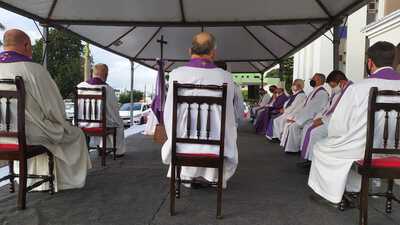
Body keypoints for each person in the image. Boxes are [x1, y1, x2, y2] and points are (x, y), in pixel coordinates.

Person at [308, 41, 400, 204]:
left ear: (370, 62)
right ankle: (355, 187)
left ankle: (334, 193)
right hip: (396, 148)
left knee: (321, 148)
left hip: (363, 148)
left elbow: (339, 125)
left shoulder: (358, 88)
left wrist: (336, 138)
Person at [0, 29, 91, 191]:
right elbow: (53, 107)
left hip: (2, 136)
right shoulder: (34, 70)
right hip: (30, 134)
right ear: (26, 45)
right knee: (76, 134)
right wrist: (62, 122)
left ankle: (25, 178)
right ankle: (64, 181)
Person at [161, 32, 238, 188]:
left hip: (182, 144)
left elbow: (169, 114)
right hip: (216, 146)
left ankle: (188, 175)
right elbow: (229, 118)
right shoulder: (226, 77)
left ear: (190, 51)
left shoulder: (176, 74)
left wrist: (174, 137)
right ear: (213, 53)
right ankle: (212, 177)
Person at [298, 71, 352, 167]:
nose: (332, 88)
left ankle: (314, 162)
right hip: (330, 120)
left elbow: (340, 113)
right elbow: (327, 108)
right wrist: (318, 118)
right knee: (308, 127)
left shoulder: (349, 92)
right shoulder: (338, 92)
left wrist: (322, 121)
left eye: (333, 85)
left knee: (315, 132)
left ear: (341, 82)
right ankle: (308, 158)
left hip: (339, 123)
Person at [77, 63, 126, 157]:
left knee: (109, 121)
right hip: (101, 125)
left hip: (81, 124)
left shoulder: (79, 86)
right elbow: (114, 110)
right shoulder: (108, 89)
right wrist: (116, 120)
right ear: (106, 75)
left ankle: (95, 149)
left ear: (93, 73)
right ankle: (117, 151)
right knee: (118, 124)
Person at [280, 73, 329, 152]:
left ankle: (296, 149)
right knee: (291, 125)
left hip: (313, 118)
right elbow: (304, 107)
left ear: (319, 80)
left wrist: (298, 120)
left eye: (313, 79)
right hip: (307, 116)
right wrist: (295, 117)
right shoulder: (314, 91)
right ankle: (296, 148)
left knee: (294, 126)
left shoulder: (321, 93)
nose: (311, 81)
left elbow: (312, 109)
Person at [215, 61, 245, 127]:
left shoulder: (207, 82)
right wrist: (238, 117)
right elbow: (239, 102)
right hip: (229, 117)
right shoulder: (232, 84)